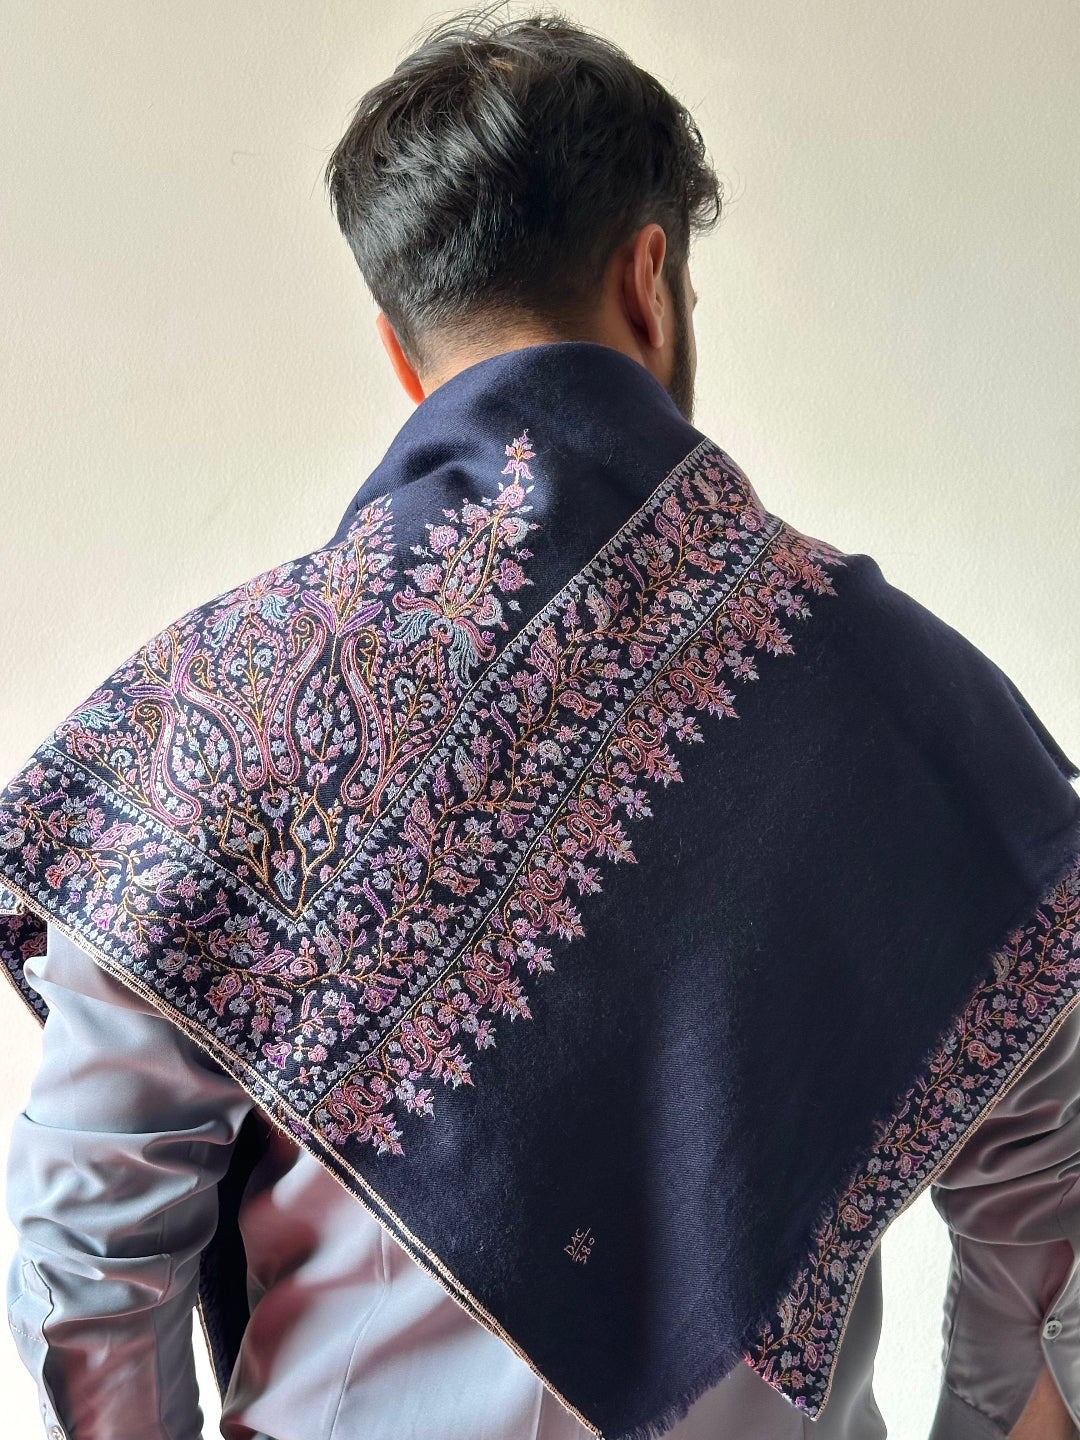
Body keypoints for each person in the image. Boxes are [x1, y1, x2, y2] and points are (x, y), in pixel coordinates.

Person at [1, 8, 1078, 1440]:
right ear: (652, 281)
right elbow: (1051, 1226)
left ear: (400, 351)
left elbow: (90, 1259)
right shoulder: (917, 707)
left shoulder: (215, 715)